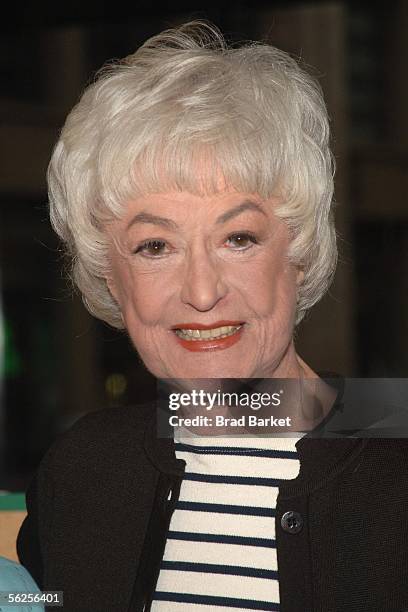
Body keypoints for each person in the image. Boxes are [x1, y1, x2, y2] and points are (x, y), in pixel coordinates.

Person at [16, 21, 408, 612]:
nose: (201, 291)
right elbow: (44, 597)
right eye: (155, 247)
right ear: (110, 278)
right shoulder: (82, 469)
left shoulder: (395, 452)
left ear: (297, 254)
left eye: (239, 238)